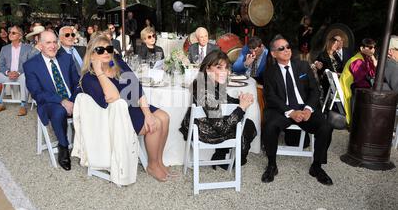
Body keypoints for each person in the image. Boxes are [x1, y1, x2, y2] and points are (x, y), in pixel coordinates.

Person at [74, 35, 172, 182]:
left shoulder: (117, 63)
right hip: (116, 115)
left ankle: (159, 162)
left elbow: (136, 86)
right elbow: (113, 96)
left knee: (164, 117)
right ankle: (152, 165)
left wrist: (147, 113)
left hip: (131, 105)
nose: (106, 52)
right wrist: (99, 71)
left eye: (109, 48)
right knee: (156, 125)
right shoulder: (89, 78)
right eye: (100, 50)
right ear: (92, 54)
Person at [262, 35, 333, 185]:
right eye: (281, 48)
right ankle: (272, 165)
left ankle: (317, 166)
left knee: (325, 127)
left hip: (304, 108)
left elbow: (315, 91)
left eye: (288, 46)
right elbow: (271, 97)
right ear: (273, 53)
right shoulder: (269, 72)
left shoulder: (302, 66)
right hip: (283, 110)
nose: (287, 50)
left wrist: (308, 109)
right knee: (269, 126)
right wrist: (290, 112)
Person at [179, 51, 257, 168]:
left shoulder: (210, 83)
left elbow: (227, 100)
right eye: (219, 67)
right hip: (204, 132)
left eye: (226, 68)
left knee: (246, 124)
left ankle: (221, 155)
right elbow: (223, 128)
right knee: (247, 126)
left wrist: (241, 100)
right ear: (208, 69)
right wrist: (241, 107)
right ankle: (238, 159)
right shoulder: (205, 92)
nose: (224, 72)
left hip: (206, 124)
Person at [24, 31, 80, 171]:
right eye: (48, 43)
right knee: (59, 111)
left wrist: (73, 100)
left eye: (55, 42)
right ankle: (63, 146)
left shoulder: (66, 58)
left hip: (72, 99)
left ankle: (93, 147)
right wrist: (62, 101)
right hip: (50, 102)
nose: (53, 46)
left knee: (93, 105)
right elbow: (37, 93)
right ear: (40, 45)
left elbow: (77, 83)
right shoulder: (31, 65)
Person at [0, 26, 32, 116]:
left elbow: (29, 64)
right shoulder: (5, 48)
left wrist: (18, 72)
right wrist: (8, 72)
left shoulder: (28, 48)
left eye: (13, 33)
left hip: (21, 74)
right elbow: (1, 65)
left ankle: (23, 105)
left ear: (20, 36)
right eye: (10, 32)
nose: (10, 34)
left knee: (25, 77)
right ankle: (0, 103)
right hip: (7, 75)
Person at [340, 38, 377, 124]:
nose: (373, 50)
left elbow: (371, 73)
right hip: (349, 93)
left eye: (374, 47)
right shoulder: (357, 61)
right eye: (370, 48)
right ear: (361, 48)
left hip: (351, 90)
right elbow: (360, 82)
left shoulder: (364, 59)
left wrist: (374, 61)